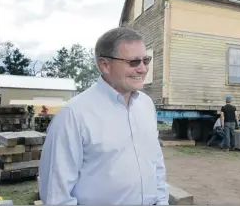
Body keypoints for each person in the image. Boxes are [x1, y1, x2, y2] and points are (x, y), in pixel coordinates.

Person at [38, 27, 169, 205]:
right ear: (105, 65)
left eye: (146, 60)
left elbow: (156, 164)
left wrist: (162, 201)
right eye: (133, 62)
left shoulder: (146, 105)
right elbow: (56, 193)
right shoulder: (74, 115)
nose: (143, 69)